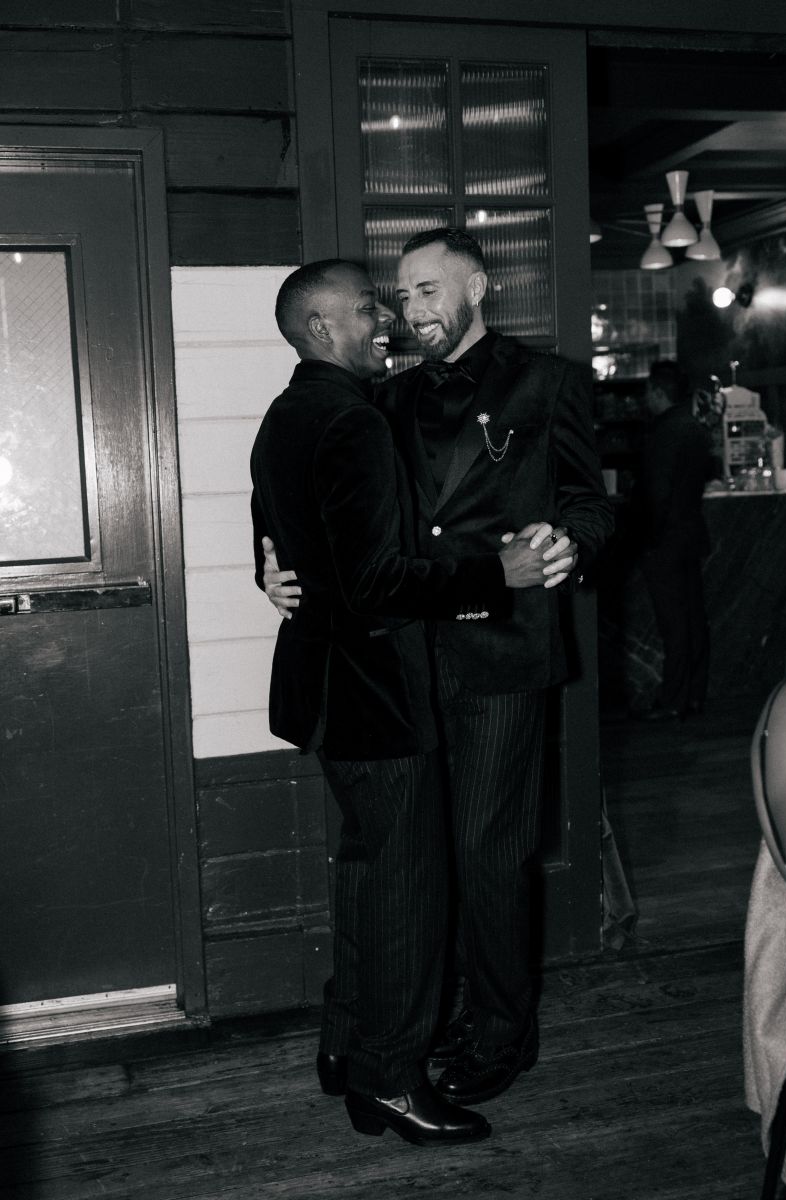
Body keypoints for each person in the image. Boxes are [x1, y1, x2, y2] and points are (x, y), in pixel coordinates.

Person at [263, 228, 613, 1108]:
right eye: (402, 295)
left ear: (478, 287)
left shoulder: (550, 382)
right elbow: (317, 502)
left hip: (501, 653)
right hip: (402, 662)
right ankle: (411, 1024)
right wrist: (269, 566)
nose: (411, 310)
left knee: (489, 855)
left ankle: (500, 1036)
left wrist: (573, 541)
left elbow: (587, 502)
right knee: (406, 861)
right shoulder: (378, 397)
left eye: (428, 291)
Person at [634, 359, 712, 721]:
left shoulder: (663, 432)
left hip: (665, 542)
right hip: (691, 534)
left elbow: (657, 494)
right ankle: (694, 695)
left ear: (659, 392)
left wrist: (645, 539)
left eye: (649, 391)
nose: (646, 398)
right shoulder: (695, 428)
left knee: (673, 624)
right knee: (693, 619)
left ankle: (673, 699)